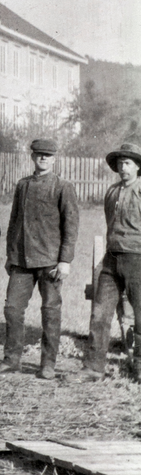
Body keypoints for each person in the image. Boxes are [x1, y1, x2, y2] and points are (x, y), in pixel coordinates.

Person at [0, 138, 79, 381]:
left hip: (50, 262)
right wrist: (11, 255)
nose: (43, 158)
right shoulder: (23, 185)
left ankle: (48, 364)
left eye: (47, 155)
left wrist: (65, 260)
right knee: (12, 309)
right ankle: (11, 361)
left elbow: (70, 227)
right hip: (21, 262)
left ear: (54, 158)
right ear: (32, 157)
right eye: (39, 154)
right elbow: (14, 222)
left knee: (50, 312)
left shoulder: (63, 187)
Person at [82, 141, 141, 382]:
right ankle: (93, 367)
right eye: (119, 164)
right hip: (111, 259)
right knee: (99, 312)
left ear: (137, 166)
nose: (122, 168)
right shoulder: (112, 191)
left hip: (137, 259)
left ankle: (138, 365)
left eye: (127, 163)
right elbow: (110, 222)